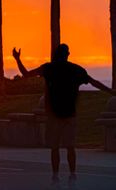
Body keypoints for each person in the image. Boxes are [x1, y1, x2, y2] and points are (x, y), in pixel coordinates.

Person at [12, 44, 116, 188]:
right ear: (67, 54)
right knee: (70, 147)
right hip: (69, 115)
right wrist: (110, 91)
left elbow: (26, 74)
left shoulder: (49, 68)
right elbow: (95, 83)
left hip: (54, 115)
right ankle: (72, 174)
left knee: (55, 148)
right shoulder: (75, 70)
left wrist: (17, 59)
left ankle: (56, 175)